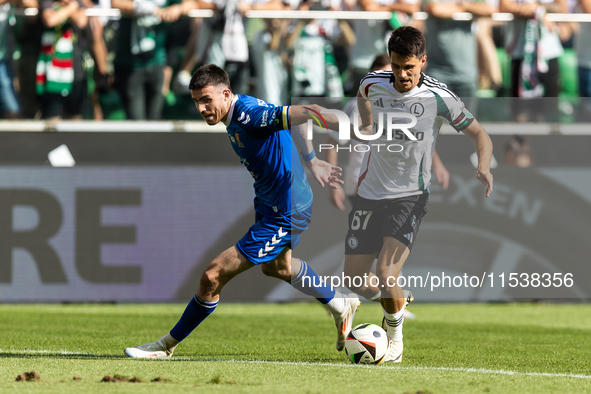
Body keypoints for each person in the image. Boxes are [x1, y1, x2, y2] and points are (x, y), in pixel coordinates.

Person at [124, 64, 361, 359]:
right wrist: (311, 159)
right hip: (269, 203)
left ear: (225, 94)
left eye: (206, 100)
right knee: (278, 267)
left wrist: (346, 128)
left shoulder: (250, 116)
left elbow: (306, 111)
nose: (200, 108)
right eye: (196, 101)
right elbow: (291, 118)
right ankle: (340, 304)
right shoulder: (243, 108)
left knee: (212, 276)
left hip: (286, 211)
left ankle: (165, 346)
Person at [343, 26, 493, 363]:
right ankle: (397, 297)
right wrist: (366, 130)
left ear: (423, 61)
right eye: (396, 66)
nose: (402, 74)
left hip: (410, 197)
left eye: (409, 67)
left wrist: (483, 165)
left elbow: (480, 133)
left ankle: (394, 339)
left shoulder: (439, 97)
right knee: (353, 279)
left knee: (385, 274)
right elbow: (365, 113)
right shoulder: (371, 83)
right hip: (370, 193)